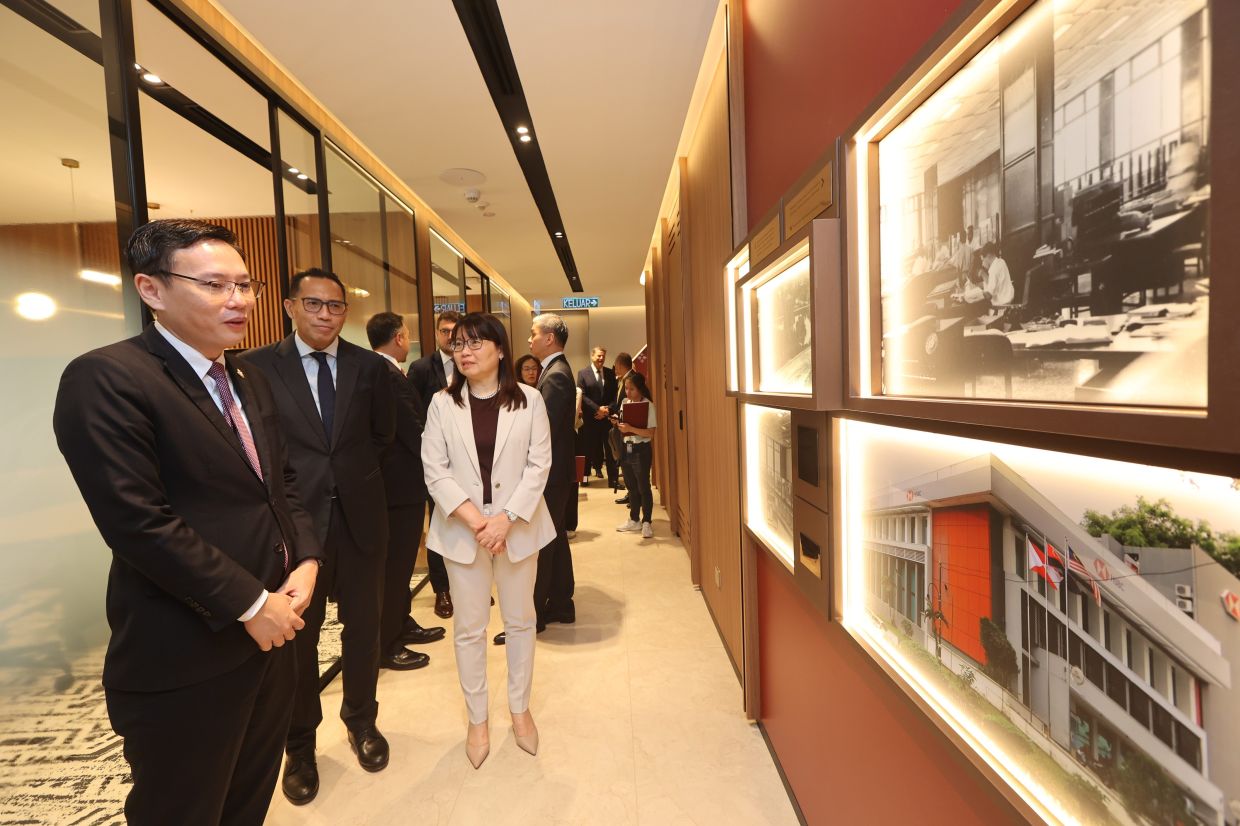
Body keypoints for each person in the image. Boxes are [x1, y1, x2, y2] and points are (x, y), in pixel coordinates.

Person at [52, 218, 322, 825]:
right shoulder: (108, 377)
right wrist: (252, 604)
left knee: (247, 801)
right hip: (188, 650)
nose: (239, 300)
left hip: (274, 638)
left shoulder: (247, 377)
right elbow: (138, 522)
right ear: (151, 289)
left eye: (245, 285)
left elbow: (280, 484)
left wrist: (306, 559)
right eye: (215, 285)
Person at [242, 269, 401, 806]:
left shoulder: (369, 367)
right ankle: (300, 744)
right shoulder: (256, 367)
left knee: (364, 627)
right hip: (294, 525)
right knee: (298, 640)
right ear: (290, 306)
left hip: (361, 519)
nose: (325, 314)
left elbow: (383, 436)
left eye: (335, 306)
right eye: (313, 303)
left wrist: (349, 479)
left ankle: (362, 721)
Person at [420, 313, 555, 769]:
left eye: (476, 342)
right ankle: (477, 719)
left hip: (518, 529)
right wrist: (480, 522)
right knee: (469, 629)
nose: (465, 351)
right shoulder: (442, 403)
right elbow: (434, 469)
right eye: (459, 343)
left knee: (520, 621)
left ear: (500, 350)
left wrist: (506, 519)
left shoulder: (530, 400)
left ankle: (520, 709)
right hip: (464, 531)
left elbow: (539, 465)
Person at [366, 312, 445, 668]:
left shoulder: (387, 370)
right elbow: (412, 430)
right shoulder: (384, 374)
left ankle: (402, 621)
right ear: (399, 337)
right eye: (408, 333)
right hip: (397, 487)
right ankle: (387, 643)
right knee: (396, 566)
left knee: (401, 565)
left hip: (401, 485)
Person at [494, 313, 576, 646]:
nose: (529, 339)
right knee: (554, 539)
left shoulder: (555, 376)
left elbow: (544, 431)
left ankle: (535, 615)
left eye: (534, 333)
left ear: (550, 338)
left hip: (551, 476)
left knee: (540, 544)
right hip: (557, 474)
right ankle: (561, 604)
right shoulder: (555, 371)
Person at [407, 311, 462, 619]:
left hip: (468, 461)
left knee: (468, 522)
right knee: (440, 524)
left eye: (455, 330)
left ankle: (468, 583)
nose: (450, 336)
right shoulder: (421, 368)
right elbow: (411, 413)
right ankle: (442, 588)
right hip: (436, 461)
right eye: (445, 331)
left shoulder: (471, 363)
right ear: (437, 333)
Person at [615, 371, 657, 538]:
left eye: (631, 389)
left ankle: (647, 522)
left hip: (641, 449)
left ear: (640, 389)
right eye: (626, 388)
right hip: (627, 448)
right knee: (631, 486)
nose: (628, 392)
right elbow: (623, 426)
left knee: (643, 486)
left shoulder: (648, 405)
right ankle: (634, 519)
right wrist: (617, 422)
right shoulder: (625, 402)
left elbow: (650, 433)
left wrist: (630, 428)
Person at [577, 346, 616, 485]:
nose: (601, 358)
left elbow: (615, 396)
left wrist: (607, 410)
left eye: (603, 356)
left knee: (610, 450)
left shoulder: (610, 373)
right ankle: (584, 479)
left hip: (607, 419)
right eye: (599, 355)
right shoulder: (583, 373)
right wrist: (597, 409)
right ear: (592, 356)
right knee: (586, 450)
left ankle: (613, 480)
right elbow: (582, 396)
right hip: (590, 419)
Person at [604, 352, 633, 504]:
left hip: (628, 430)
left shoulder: (632, 379)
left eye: (616, 365)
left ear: (620, 365)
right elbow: (619, 403)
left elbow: (632, 405)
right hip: (620, 426)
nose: (614, 368)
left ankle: (634, 495)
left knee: (629, 462)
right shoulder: (622, 380)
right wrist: (611, 411)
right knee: (624, 461)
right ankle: (631, 493)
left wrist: (617, 417)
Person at [978, 243, 1015, 307]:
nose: (982, 264)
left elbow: (989, 295)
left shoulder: (993, 269)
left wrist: (976, 294)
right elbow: (994, 283)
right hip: (1009, 299)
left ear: (988, 256)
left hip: (1001, 305)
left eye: (983, 260)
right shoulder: (1001, 261)